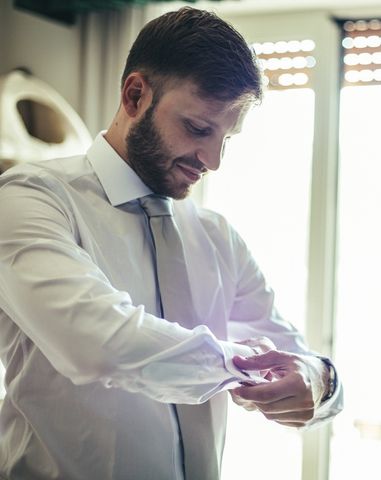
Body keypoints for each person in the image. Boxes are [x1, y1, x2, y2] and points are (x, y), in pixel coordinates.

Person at [0, 7, 342, 480]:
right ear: (136, 94)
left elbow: (292, 354)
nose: (213, 161)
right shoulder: (31, 199)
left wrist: (319, 380)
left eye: (226, 138)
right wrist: (236, 363)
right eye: (199, 129)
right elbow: (98, 343)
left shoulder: (218, 237)